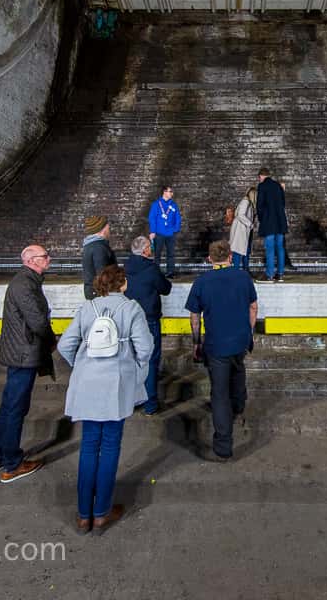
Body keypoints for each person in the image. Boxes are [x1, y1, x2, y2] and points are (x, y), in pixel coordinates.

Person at [58, 265, 153, 534]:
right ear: (122, 284)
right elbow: (145, 348)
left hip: (88, 383)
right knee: (110, 446)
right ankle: (101, 512)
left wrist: (81, 365)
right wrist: (136, 369)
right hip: (116, 383)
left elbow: (65, 345)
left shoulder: (86, 308)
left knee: (89, 446)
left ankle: (83, 515)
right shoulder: (131, 308)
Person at [0, 244, 56, 484]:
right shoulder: (25, 285)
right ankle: (12, 464)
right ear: (31, 261)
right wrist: (51, 339)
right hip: (23, 354)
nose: (49, 259)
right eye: (44, 256)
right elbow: (37, 320)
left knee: (9, 406)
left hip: (18, 352)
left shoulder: (25, 282)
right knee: (16, 408)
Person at [185, 240, 258, 460]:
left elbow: (195, 317)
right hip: (240, 340)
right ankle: (237, 408)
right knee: (237, 372)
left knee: (219, 393)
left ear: (210, 259)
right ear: (231, 257)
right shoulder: (243, 277)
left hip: (216, 344)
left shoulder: (201, 282)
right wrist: (249, 332)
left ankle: (224, 445)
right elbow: (253, 307)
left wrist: (197, 342)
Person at [124, 235, 172, 415]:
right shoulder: (151, 269)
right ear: (145, 250)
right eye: (149, 247)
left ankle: (132, 400)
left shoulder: (125, 268)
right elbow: (165, 288)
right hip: (148, 318)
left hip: (128, 319)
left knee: (131, 359)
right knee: (150, 360)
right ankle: (150, 403)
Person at [255, 168, 287, 282]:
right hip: (280, 221)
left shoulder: (262, 186)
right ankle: (280, 274)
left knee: (269, 248)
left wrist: (261, 218)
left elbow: (259, 205)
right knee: (280, 247)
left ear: (261, 176)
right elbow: (283, 203)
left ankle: (269, 275)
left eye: (259, 178)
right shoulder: (278, 186)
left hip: (269, 222)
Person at [148, 185, 182, 278]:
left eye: (172, 191)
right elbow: (152, 218)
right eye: (170, 191)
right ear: (164, 192)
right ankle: (156, 272)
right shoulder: (156, 204)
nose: (172, 193)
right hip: (159, 233)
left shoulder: (173, 205)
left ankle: (170, 272)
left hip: (170, 233)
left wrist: (175, 229)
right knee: (157, 254)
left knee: (171, 253)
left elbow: (178, 218)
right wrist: (152, 231)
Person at [81, 215, 116, 300]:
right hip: (100, 294)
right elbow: (102, 274)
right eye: (108, 227)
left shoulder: (89, 246)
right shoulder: (99, 248)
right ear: (102, 229)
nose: (109, 230)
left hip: (93, 291)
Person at [229, 187, 258, 270]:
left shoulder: (249, 203)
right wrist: (250, 224)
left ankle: (245, 270)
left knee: (245, 250)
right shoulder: (246, 201)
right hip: (240, 229)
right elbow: (240, 215)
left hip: (244, 229)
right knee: (238, 250)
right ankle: (236, 271)